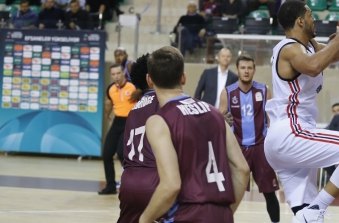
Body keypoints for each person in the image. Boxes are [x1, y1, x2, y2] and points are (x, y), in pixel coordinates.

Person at [264, 0, 339, 223]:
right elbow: (314, 66)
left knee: (306, 217)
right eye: (310, 15)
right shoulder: (289, 49)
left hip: (289, 139)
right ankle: (319, 206)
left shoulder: (309, 46)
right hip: (291, 132)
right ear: (299, 21)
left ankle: (312, 210)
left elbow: (332, 55)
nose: (314, 18)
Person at [138, 47, 249, 223]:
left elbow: (171, 185)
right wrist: (226, 212)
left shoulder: (158, 121)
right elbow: (242, 170)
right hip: (222, 215)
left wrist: (144, 219)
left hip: (187, 214)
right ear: (183, 77)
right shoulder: (215, 114)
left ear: (149, 80)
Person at [217, 54, 281, 223]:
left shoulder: (264, 90)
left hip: (261, 147)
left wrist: (272, 141)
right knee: (230, 193)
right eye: (243, 68)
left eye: (249, 68)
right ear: (237, 70)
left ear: (254, 70)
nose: (246, 71)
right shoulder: (227, 93)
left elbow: (272, 118)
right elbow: (220, 120)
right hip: (237, 148)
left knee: (270, 193)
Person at [118, 54, 159, 222]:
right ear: (151, 78)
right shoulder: (163, 103)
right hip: (153, 178)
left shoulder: (134, 111)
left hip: (128, 181)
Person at [98, 63, 136, 195]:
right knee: (107, 153)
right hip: (117, 121)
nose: (116, 76)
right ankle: (110, 186)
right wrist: (107, 115)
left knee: (121, 152)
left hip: (130, 121)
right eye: (113, 74)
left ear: (124, 73)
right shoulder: (111, 89)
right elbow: (108, 103)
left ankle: (130, 183)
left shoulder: (133, 87)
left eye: (118, 73)